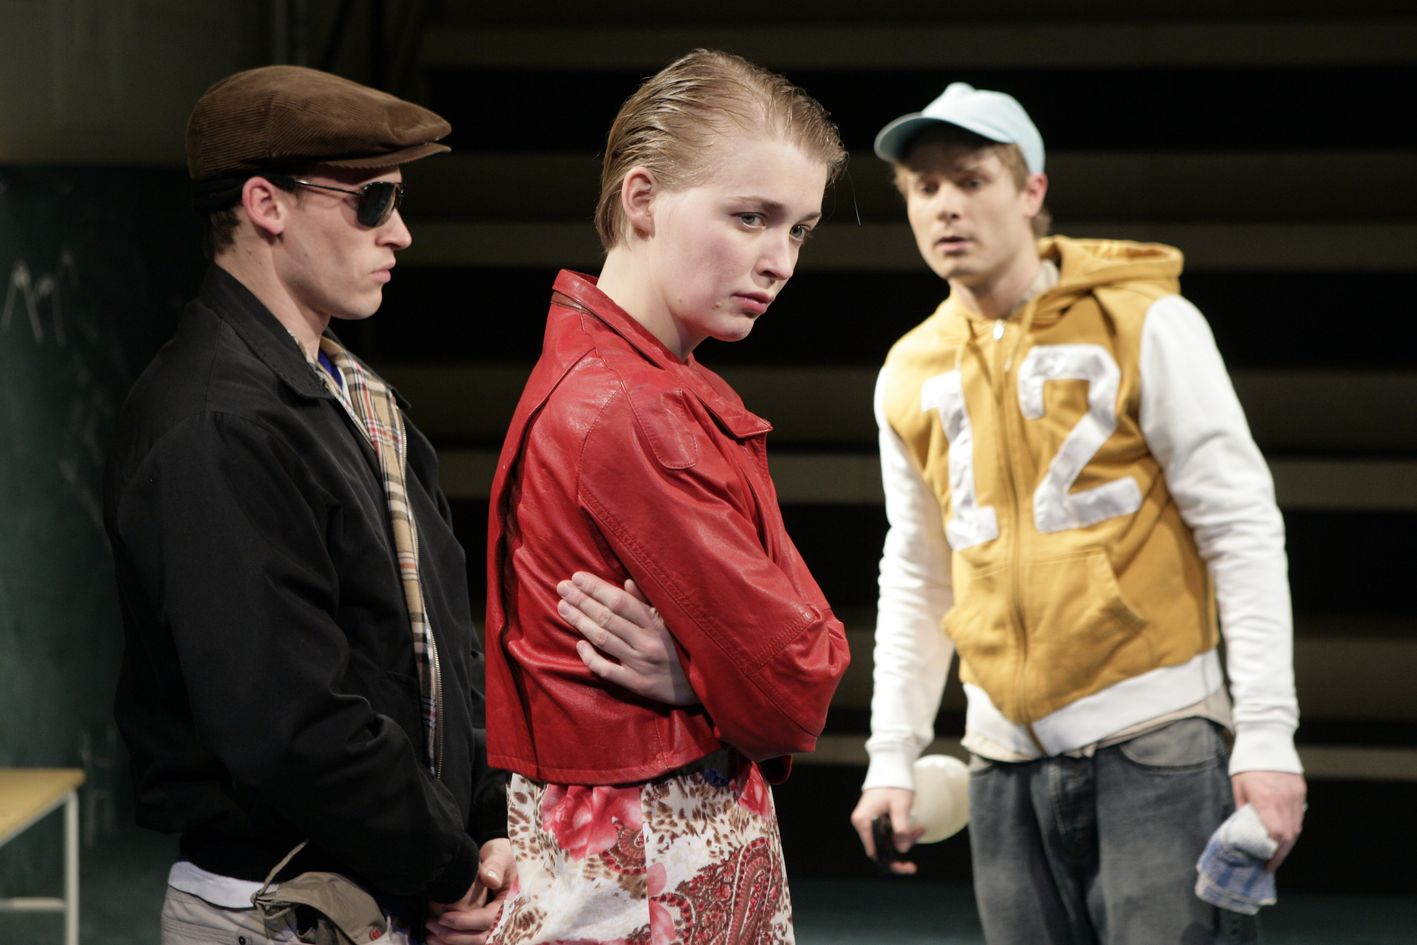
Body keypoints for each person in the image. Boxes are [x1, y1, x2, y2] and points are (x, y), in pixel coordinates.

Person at [847, 82, 1307, 944]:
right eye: (924, 186)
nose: (945, 205)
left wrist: (1266, 735)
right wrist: (890, 756)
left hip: (1155, 740)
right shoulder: (909, 368)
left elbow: (1239, 526)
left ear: (1031, 191)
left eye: (971, 179)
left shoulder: (1146, 322)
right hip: (999, 762)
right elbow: (917, 568)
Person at [104, 65, 510, 945]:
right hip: (282, 908)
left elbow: (438, 646)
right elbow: (288, 721)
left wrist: (485, 824)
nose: (399, 231)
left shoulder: (349, 396)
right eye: (372, 201)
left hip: (369, 893)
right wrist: (447, 865)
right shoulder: (216, 421)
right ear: (266, 204)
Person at [481, 49, 852, 944]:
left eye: (798, 230)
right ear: (641, 199)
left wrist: (706, 673)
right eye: (750, 217)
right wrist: (724, 678)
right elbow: (797, 679)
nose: (779, 260)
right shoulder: (634, 408)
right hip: (648, 867)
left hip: (640, 854)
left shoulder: (621, 378)